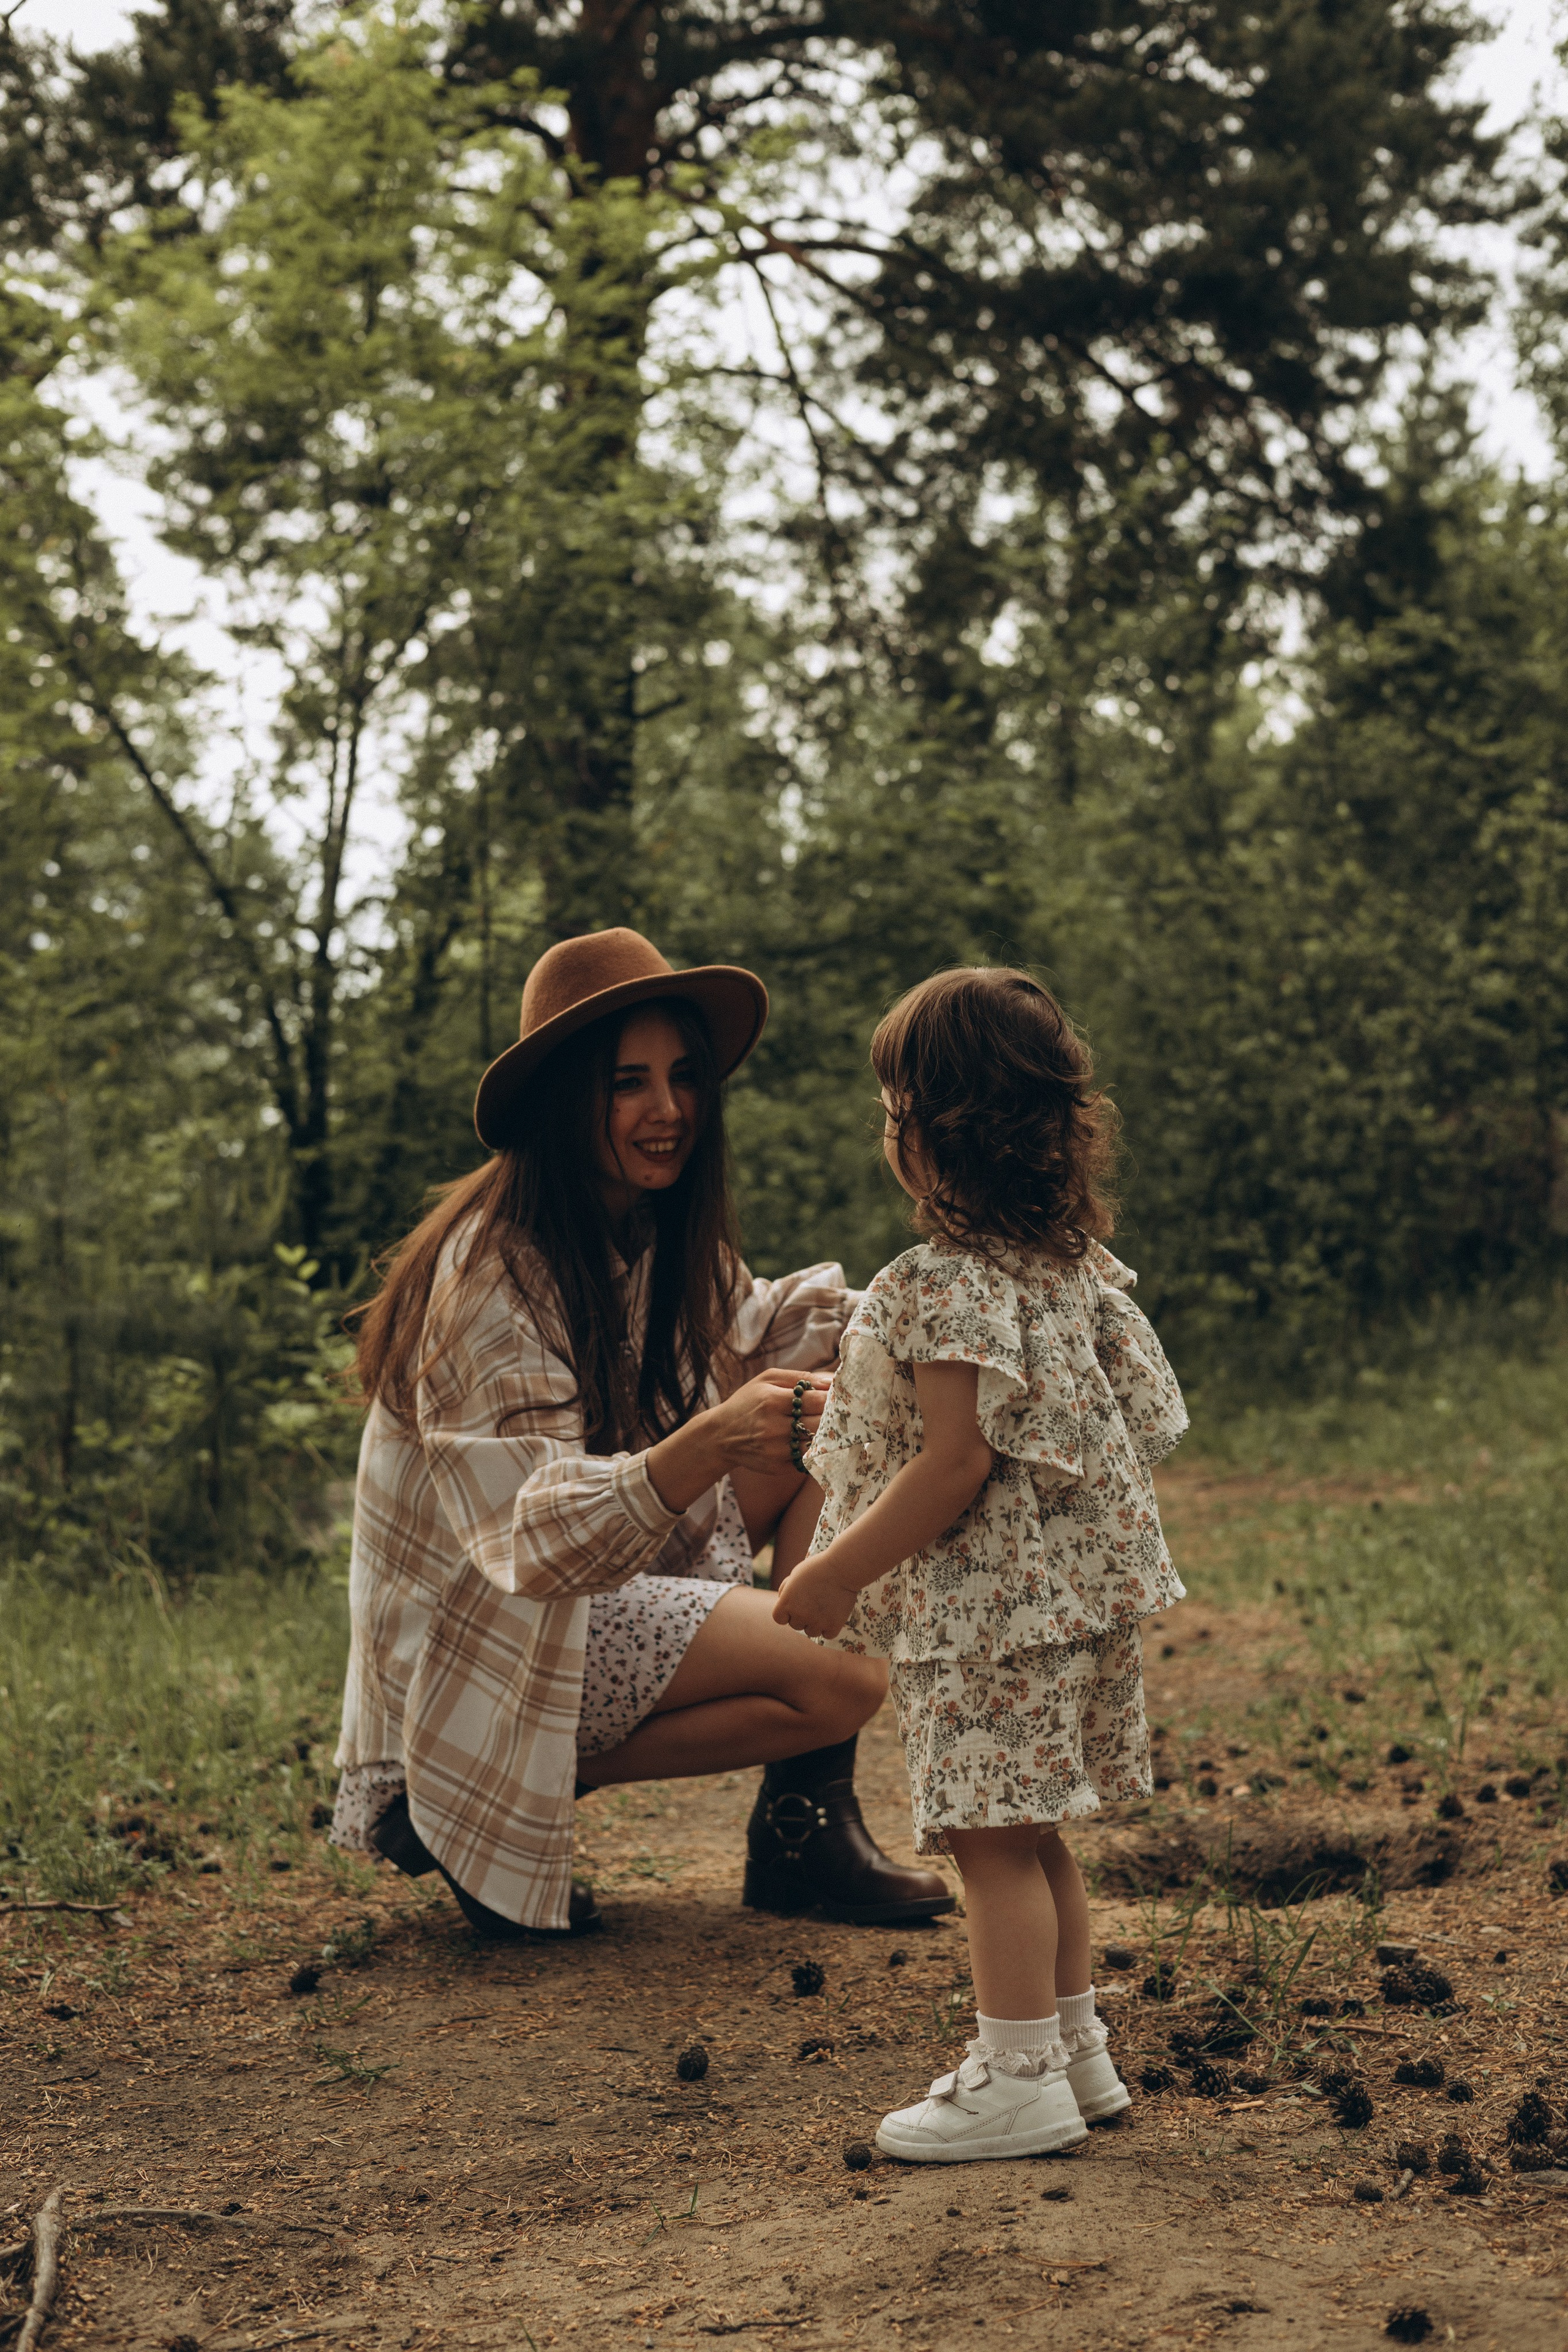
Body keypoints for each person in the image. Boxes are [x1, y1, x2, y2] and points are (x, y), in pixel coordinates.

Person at [330, 926, 952, 1938]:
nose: (667, 1112)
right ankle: (451, 1799)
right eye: (627, 1083)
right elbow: (531, 1542)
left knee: (832, 1406)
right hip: (489, 1637)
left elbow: (772, 1326)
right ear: (566, 1100)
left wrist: (947, 1300)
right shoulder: (490, 1274)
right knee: (842, 1675)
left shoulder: (645, 1226)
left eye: (682, 1077)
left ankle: (802, 1836)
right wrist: (706, 1443)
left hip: (578, 1590)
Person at [772, 966, 1188, 2161]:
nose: (885, 1126)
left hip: (989, 1619)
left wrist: (839, 1569)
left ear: (931, 1133)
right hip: (1064, 1609)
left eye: (895, 1102)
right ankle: (1070, 2050)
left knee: (987, 1845)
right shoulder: (1057, 1266)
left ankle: (1012, 2077)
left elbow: (952, 1465)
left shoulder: (944, 1286)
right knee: (1033, 1832)